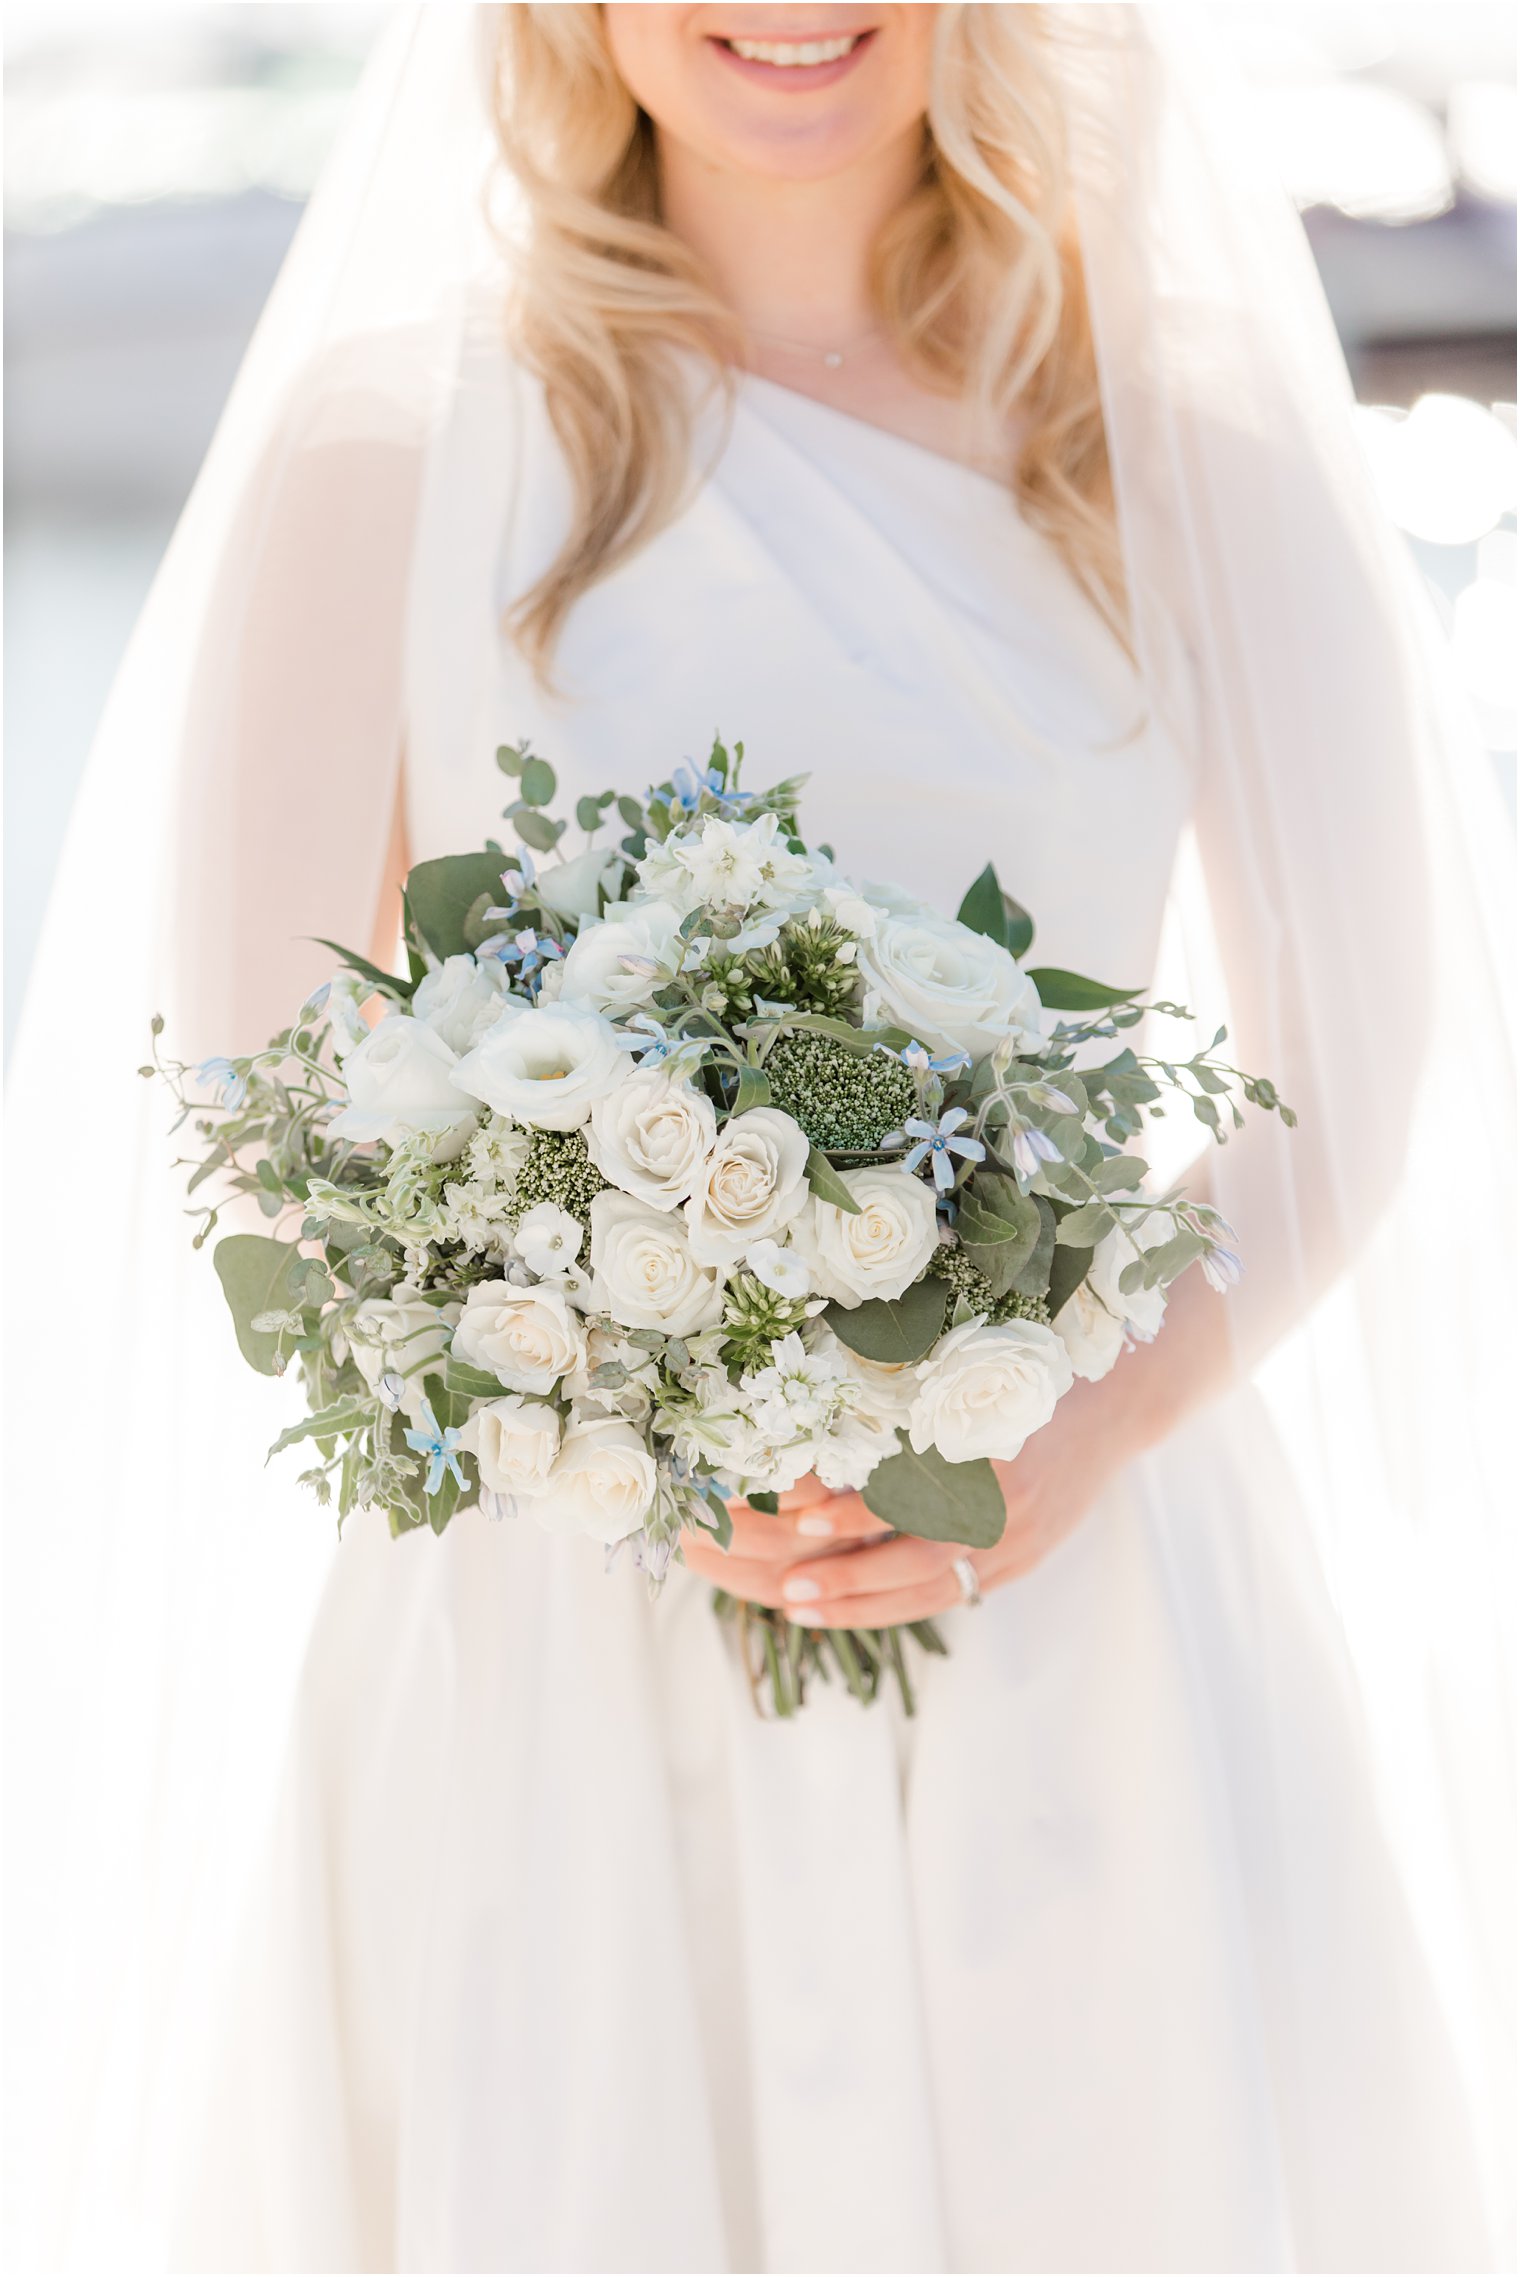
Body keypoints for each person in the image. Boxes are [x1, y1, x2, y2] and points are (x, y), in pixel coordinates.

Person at [5, 8, 1512, 2272]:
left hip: (1072, 1620)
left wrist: (1063, 1446)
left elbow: (1347, 1082)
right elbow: (264, 1108)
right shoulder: (393, 447)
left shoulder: (1173, 441)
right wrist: (625, 1413)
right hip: (555, 1649)